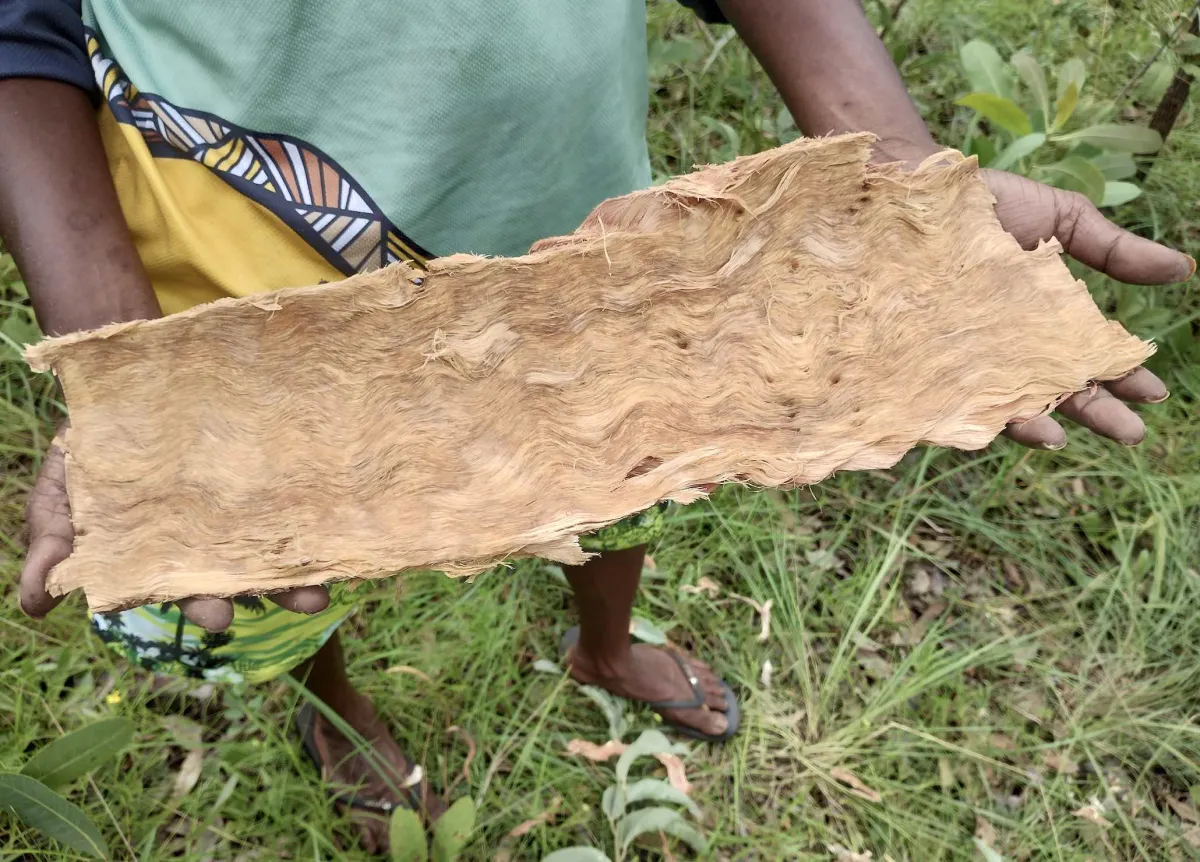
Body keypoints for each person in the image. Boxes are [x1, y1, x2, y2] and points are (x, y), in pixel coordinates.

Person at [2, 0, 1191, 853]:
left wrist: (889, 164)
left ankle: (607, 646)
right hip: (248, 253)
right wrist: (123, 358)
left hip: (566, 212)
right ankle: (340, 709)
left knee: (630, 460)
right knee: (273, 533)